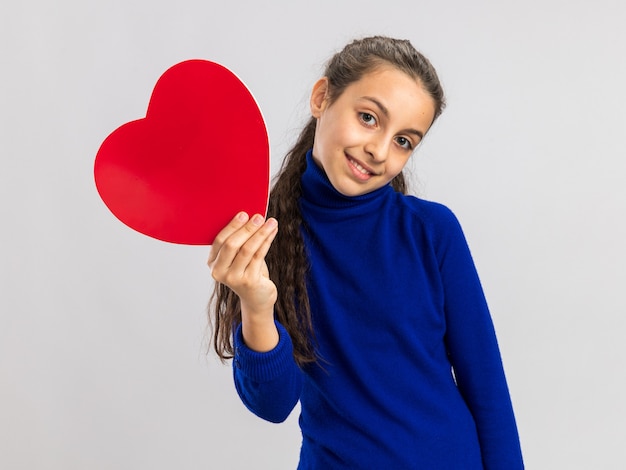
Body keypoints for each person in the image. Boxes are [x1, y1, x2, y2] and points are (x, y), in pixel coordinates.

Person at [207, 36, 524, 469]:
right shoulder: (263, 236)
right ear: (322, 98)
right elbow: (274, 404)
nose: (379, 150)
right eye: (369, 118)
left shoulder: (432, 231)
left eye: (404, 141)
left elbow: (486, 389)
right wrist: (256, 307)